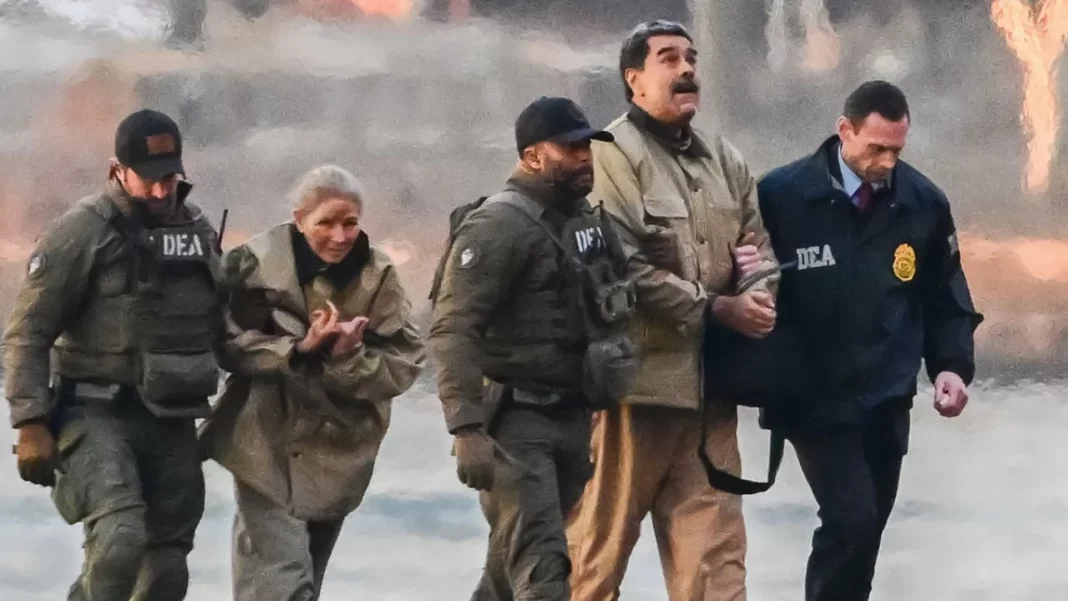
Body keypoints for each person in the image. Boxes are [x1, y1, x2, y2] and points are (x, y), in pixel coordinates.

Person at [564, 20, 779, 601]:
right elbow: (620, 267)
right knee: (593, 563)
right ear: (634, 79)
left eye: (691, 58)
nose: (686, 69)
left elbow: (759, 248)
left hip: (711, 398)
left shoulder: (724, 159)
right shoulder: (610, 154)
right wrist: (717, 308)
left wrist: (758, 294)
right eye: (668, 59)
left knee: (716, 575)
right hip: (633, 394)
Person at [755, 80, 984, 601]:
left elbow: (945, 296)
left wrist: (951, 366)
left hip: (886, 395)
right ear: (845, 130)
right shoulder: (781, 196)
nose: (887, 162)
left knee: (867, 533)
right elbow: (745, 285)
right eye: (876, 148)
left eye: (896, 151)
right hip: (812, 395)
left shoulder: (923, 203)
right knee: (850, 519)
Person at [4, 109, 224, 601]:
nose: (161, 191)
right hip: (93, 410)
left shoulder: (196, 229)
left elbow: (222, 319)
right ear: (117, 171)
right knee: (120, 540)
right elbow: (27, 332)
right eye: (149, 179)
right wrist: (30, 421)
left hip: (171, 414)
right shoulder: (82, 231)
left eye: (170, 178)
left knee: (168, 567)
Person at [428, 96, 634, 601]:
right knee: (543, 571)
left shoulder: (584, 221)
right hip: (516, 425)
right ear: (532, 156)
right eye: (570, 148)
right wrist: (465, 427)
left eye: (587, 147)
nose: (584, 157)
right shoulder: (500, 225)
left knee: (506, 576)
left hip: (571, 417)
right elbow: (454, 328)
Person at [198, 164, 426, 601]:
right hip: (266, 443)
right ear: (299, 219)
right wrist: (298, 348)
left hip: (338, 447)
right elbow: (225, 342)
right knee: (280, 581)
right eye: (326, 223)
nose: (340, 236)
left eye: (350, 223)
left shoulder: (378, 277)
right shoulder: (254, 265)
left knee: (306, 580)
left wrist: (346, 356)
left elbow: (404, 363)